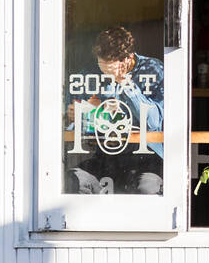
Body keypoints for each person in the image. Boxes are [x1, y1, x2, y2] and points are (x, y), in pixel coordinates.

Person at [65, 25, 165, 195]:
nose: (105, 75)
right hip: (104, 156)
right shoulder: (89, 75)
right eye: (102, 67)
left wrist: (127, 85)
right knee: (75, 181)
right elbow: (72, 124)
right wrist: (76, 118)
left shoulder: (153, 70)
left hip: (146, 156)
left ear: (128, 59)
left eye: (110, 70)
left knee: (147, 188)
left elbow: (154, 122)